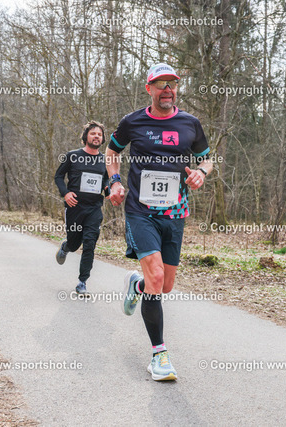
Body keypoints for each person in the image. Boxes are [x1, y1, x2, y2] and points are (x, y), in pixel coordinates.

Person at [106, 63, 213, 381]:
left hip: (175, 213)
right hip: (140, 211)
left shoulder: (190, 123)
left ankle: (135, 285)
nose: (167, 89)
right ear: (149, 88)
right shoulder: (132, 122)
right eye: (161, 83)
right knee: (155, 276)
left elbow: (207, 158)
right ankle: (159, 356)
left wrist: (201, 172)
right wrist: (114, 182)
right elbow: (112, 153)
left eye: (172, 84)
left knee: (163, 285)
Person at [54, 121, 109, 295]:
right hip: (75, 207)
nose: (96, 136)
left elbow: (107, 179)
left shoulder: (105, 160)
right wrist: (65, 193)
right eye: (93, 133)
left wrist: (108, 189)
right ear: (86, 137)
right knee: (74, 243)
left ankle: (82, 281)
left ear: (103, 139)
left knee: (90, 243)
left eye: (99, 134)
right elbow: (58, 176)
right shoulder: (72, 156)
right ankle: (66, 247)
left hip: (94, 208)